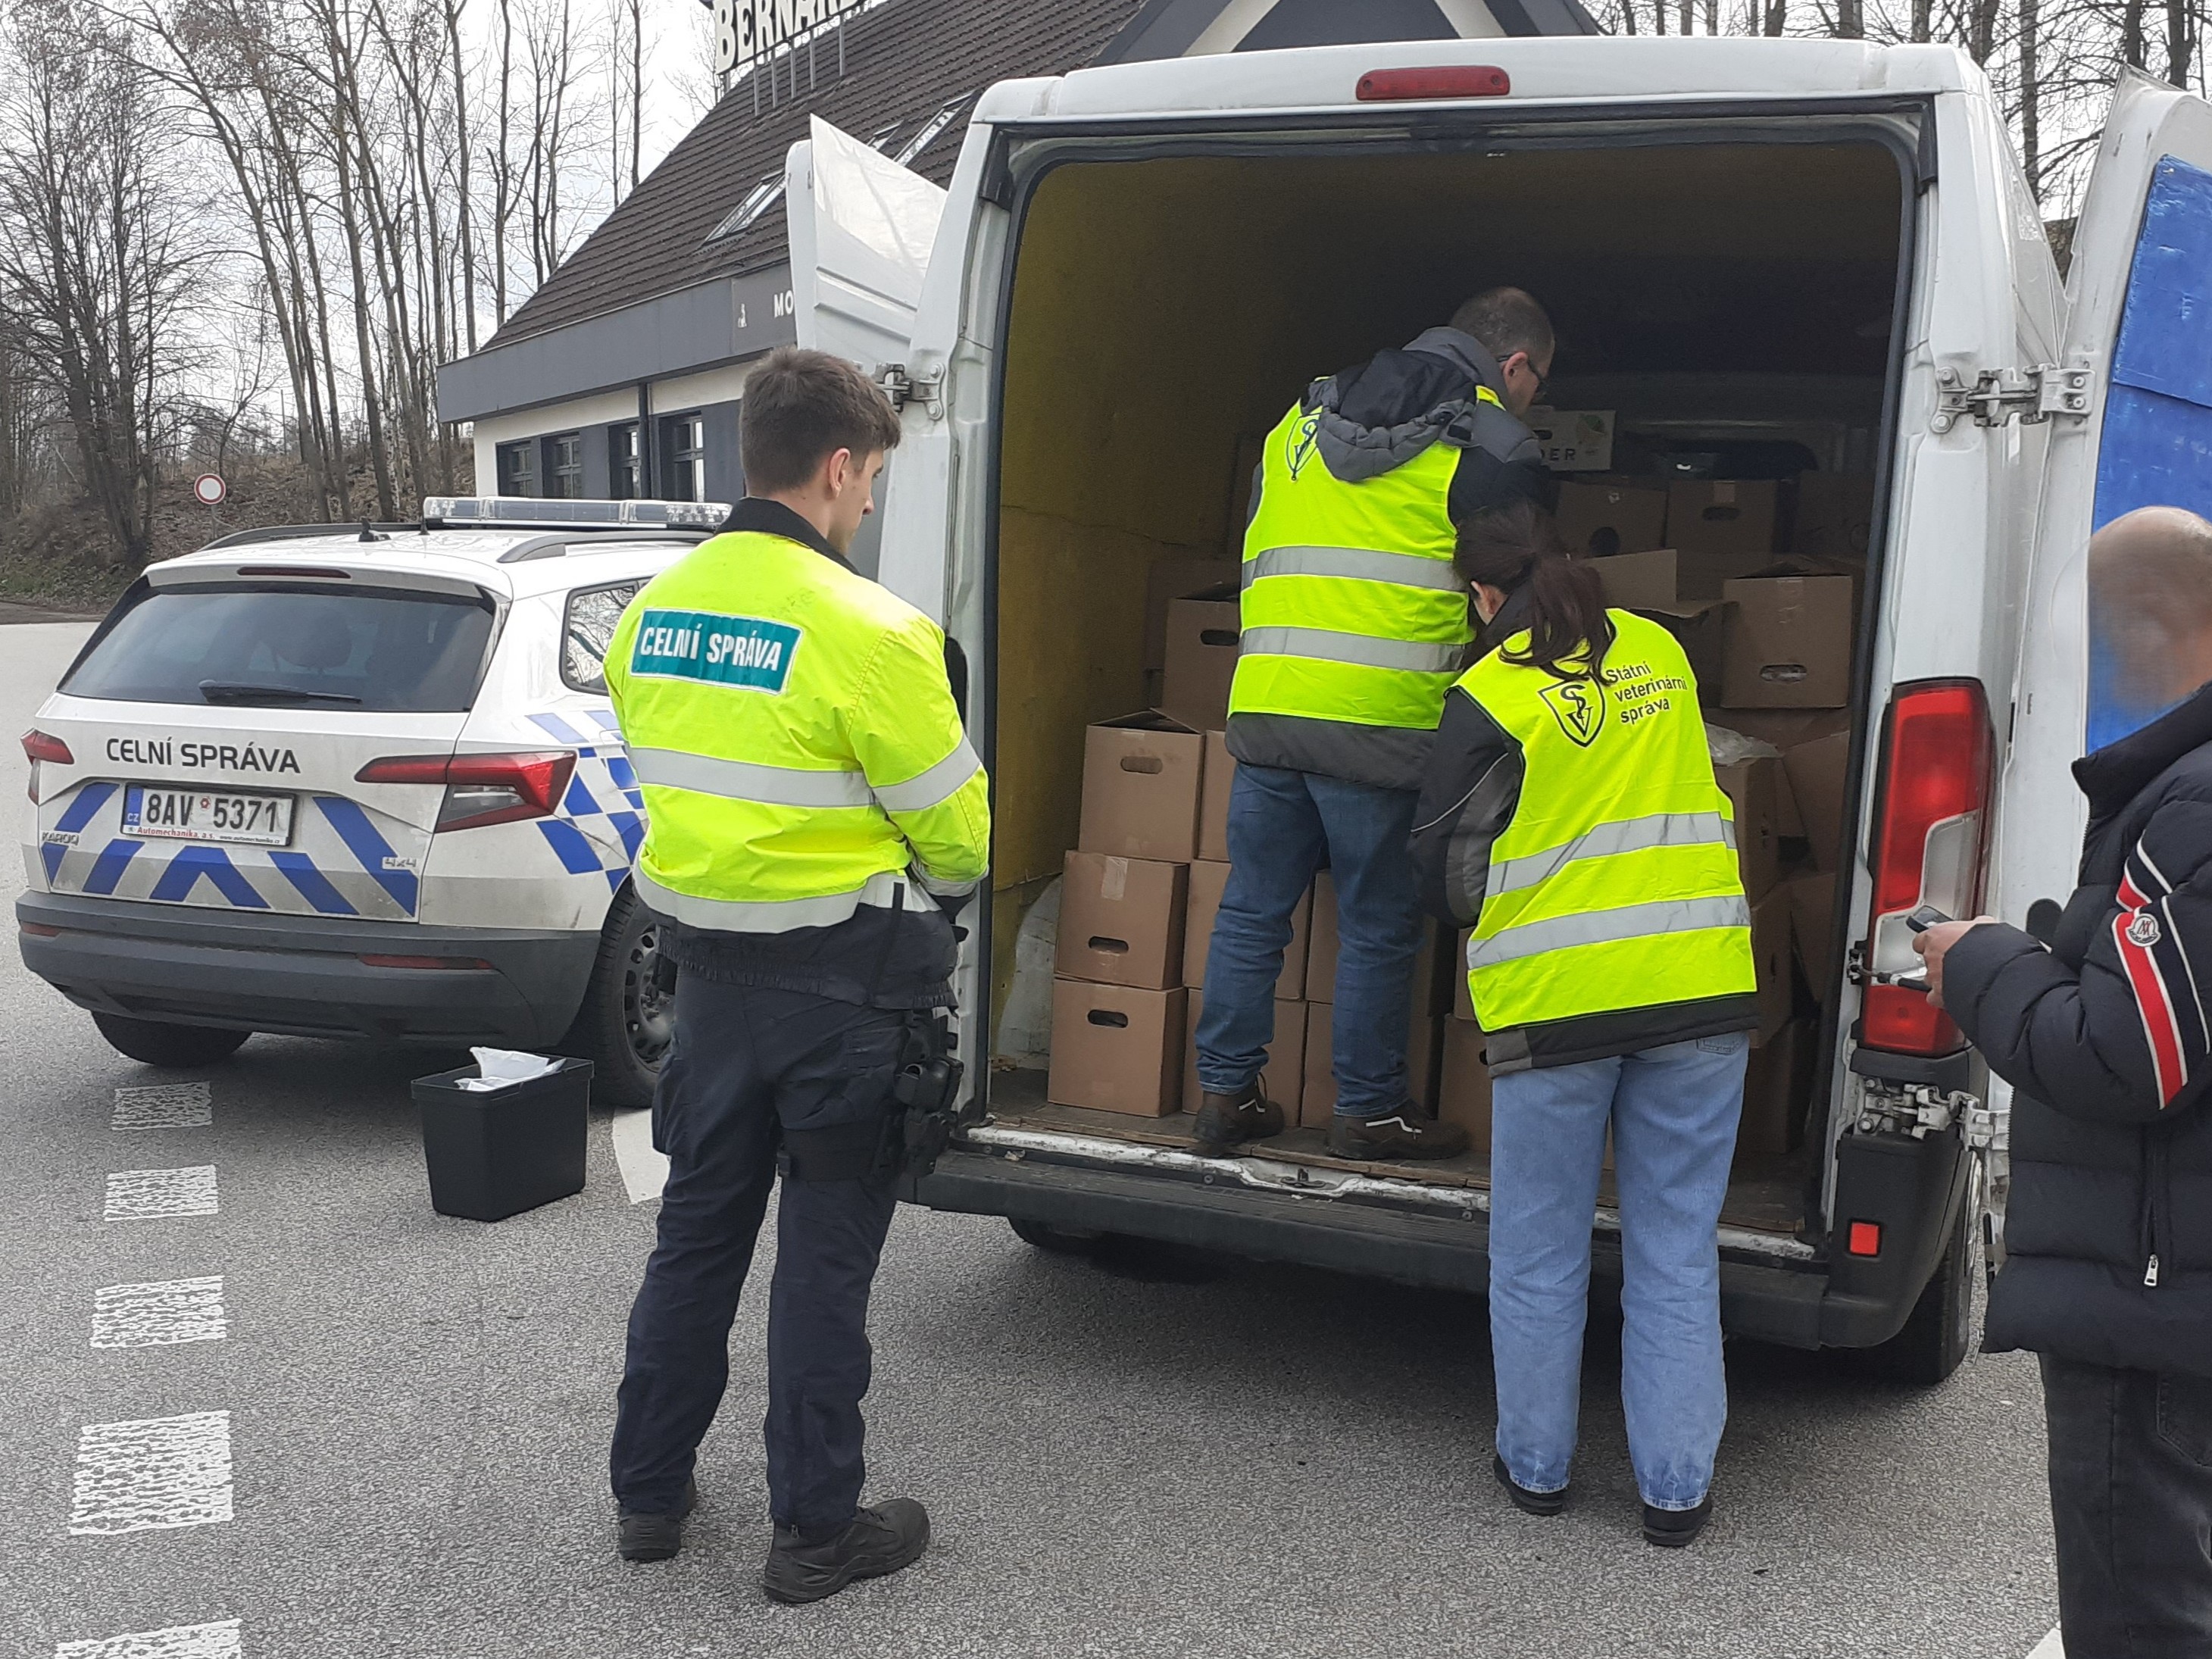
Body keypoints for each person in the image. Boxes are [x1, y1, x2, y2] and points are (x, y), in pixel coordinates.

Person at [601, 347, 990, 1604]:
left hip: (707, 989)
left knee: (697, 1236)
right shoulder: (878, 634)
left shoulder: (651, 613)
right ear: (835, 468)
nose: (870, 501)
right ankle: (817, 1532)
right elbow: (964, 843)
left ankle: (649, 1493)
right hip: (847, 999)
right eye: (871, 477)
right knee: (824, 1260)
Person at [1409, 501, 1759, 1547]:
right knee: (1676, 1248)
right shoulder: (1662, 649)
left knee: (1538, 1250)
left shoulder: (1489, 691)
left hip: (1557, 1005)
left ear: (1482, 594)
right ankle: (1675, 1491)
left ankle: (1538, 1470)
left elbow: (1442, 867)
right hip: (1699, 988)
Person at [1917, 505, 2212, 1654]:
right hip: (2178, 1284)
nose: (2106, 657)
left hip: (2152, 1308)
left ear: (2155, 621)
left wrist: (1981, 959)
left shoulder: (2192, 806)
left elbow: (2126, 1056)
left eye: (2107, 627)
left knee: (2139, 1620)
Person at [1192, 287, 1557, 1161]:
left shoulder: (1299, 418)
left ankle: (1223, 1097)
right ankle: (1368, 1110)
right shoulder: (1496, 443)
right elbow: (1514, 596)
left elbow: (1254, 539)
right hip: (1385, 729)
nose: (1535, 396)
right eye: (1538, 380)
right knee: (1378, 925)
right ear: (1513, 366)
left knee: (1251, 911)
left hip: (1271, 708)